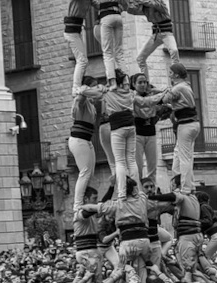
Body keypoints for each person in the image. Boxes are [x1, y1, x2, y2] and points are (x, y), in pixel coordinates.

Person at [76, 69, 166, 200]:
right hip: (131, 127)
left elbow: (83, 90)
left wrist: (100, 87)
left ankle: (122, 193)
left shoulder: (107, 92)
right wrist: (162, 94)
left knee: (118, 162)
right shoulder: (129, 93)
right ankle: (137, 191)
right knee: (131, 161)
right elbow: (146, 102)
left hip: (116, 127)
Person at [81, 177, 151, 283]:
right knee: (143, 267)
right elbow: (139, 188)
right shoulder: (142, 199)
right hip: (144, 241)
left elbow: (92, 208)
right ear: (134, 189)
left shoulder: (116, 204)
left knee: (124, 270)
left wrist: (79, 207)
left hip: (127, 242)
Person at [71, 0, 128, 91]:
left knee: (107, 52)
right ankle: (126, 82)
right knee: (119, 52)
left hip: (106, 17)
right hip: (118, 17)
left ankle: (112, 82)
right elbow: (126, 5)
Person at [128, 0, 179, 81]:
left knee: (174, 51)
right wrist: (128, 1)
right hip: (156, 35)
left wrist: (139, 0)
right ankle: (146, 82)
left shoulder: (157, 1)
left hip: (166, 33)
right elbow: (131, 10)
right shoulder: (145, 8)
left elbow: (153, 3)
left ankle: (177, 77)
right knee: (140, 58)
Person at [162, 63, 201, 194]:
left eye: (171, 73)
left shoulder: (178, 88)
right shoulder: (186, 86)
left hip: (185, 125)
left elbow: (164, 99)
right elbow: (177, 103)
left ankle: (186, 188)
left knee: (184, 158)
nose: (169, 75)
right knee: (179, 155)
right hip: (193, 124)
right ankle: (183, 183)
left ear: (176, 75)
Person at [69, 76, 99, 211]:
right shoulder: (82, 101)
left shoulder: (91, 104)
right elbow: (81, 97)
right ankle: (77, 205)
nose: (96, 89)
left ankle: (85, 200)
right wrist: (83, 89)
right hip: (78, 140)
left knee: (90, 174)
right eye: (94, 86)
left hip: (86, 140)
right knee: (85, 172)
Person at [64, 0, 98, 97]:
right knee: (82, 60)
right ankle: (75, 88)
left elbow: (99, 5)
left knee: (83, 61)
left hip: (75, 31)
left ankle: (78, 86)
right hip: (71, 31)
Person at [131, 73, 160, 182]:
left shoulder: (152, 95)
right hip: (137, 133)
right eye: (140, 82)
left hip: (151, 132)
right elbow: (144, 104)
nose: (143, 85)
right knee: (138, 165)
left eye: (145, 82)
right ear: (134, 84)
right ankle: (138, 188)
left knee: (153, 165)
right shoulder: (132, 96)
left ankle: (152, 188)